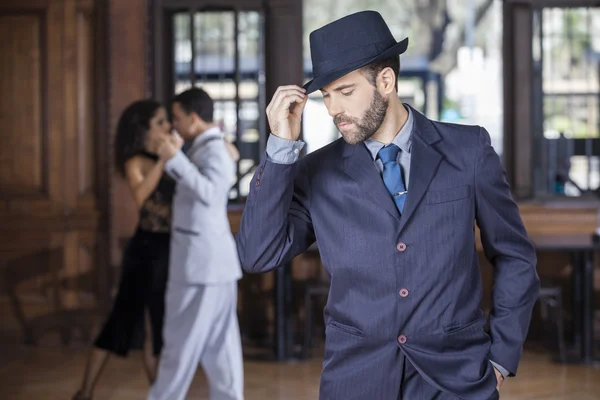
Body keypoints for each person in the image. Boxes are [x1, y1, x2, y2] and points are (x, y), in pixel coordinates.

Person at [236, 10, 539, 400]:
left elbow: (515, 256)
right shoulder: (316, 172)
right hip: (356, 380)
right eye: (326, 96)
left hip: (457, 379)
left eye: (345, 92)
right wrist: (279, 150)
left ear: (386, 81)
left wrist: (499, 357)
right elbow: (258, 254)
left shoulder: (469, 151)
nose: (333, 109)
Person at [73, 100, 175, 400]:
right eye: (160, 121)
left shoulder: (169, 155)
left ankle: (161, 394)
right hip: (145, 252)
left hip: (171, 250)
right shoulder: (135, 161)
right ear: (143, 128)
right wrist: (163, 162)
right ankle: (85, 391)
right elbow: (142, 198)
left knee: (158, 326)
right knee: (121, 320)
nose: (167, 126)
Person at [148, 87, 244, 400]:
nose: (174, 125)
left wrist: (174, 159)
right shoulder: (207, 146)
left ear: (192, 117)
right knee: (219, 353)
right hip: (208, 267)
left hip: (201, 269)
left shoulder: (212, 149)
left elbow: (211, 193)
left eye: (176, 118)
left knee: (180, 349)